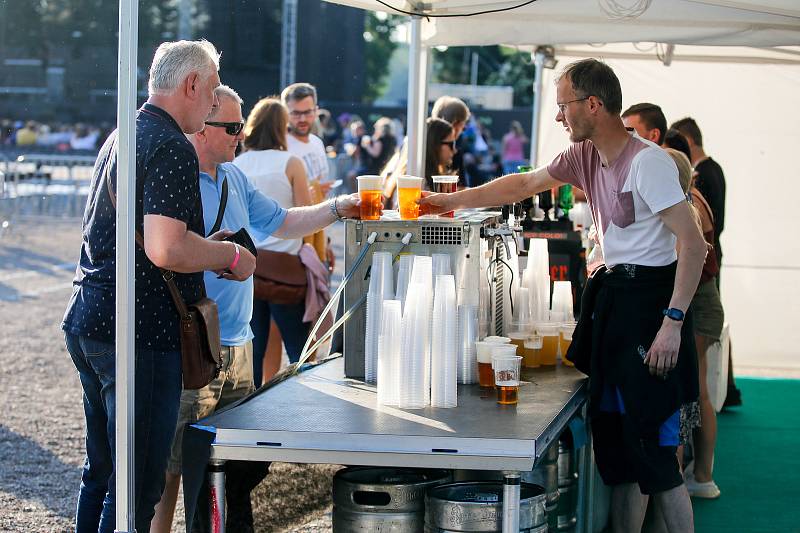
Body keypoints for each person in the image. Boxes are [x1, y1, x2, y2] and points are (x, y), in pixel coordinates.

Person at [421, 58, 706, 533]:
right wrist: (453, 200)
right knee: (618, 455)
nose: (558, 117)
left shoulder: (649, 163)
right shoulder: (583, 155)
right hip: (614, 300)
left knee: (658, 459)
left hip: (652, 308)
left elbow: (693, 245)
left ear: (593, 105)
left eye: (563, 106)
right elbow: (526, 183)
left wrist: (672, 324)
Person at [60, 40, 258, 533]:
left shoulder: (123, 132)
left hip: (93, 318)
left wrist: (201, 246)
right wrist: (228, 254)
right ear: (191, 84)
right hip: (139, 332)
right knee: (137, 487)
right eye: (212, 91)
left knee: (103, 473)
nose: (215, 103)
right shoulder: (169, 143)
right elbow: (167, 249)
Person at [151, 86, 359, 532]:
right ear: (201, 127)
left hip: (238, 347)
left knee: (232, 468)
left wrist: (340, 208)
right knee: (170, 470)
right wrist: (225, 256)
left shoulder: (233, 177)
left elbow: (283, 221)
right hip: (193, 347)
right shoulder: (175, 177)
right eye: (231, 127)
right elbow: (165, 251)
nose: (240, 135)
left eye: (242, 125)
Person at [233, 96, 324, 386]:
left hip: (250, 267)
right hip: (286, 270)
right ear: (281, 128)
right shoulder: (291, 163)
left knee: (254, 347)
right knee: (300, 348)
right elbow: (305, 214)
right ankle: (306, 407)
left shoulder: (237, 164)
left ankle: (254, 407)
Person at [670, 116, 742, 408]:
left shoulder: (698, 186)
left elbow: (696, 242)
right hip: (707, 271)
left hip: (705, 272)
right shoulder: (711, 174)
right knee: (699, 385)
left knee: (697, 389)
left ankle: (728, 387)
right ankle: (729, 387)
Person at [665, 148, 724, 500]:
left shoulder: (686, 207)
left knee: (691, 392)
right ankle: (698, 475)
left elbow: (687, 255)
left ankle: (699, 476)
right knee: (692, 392)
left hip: (697, 310)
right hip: (700, 307)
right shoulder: (688, 200)